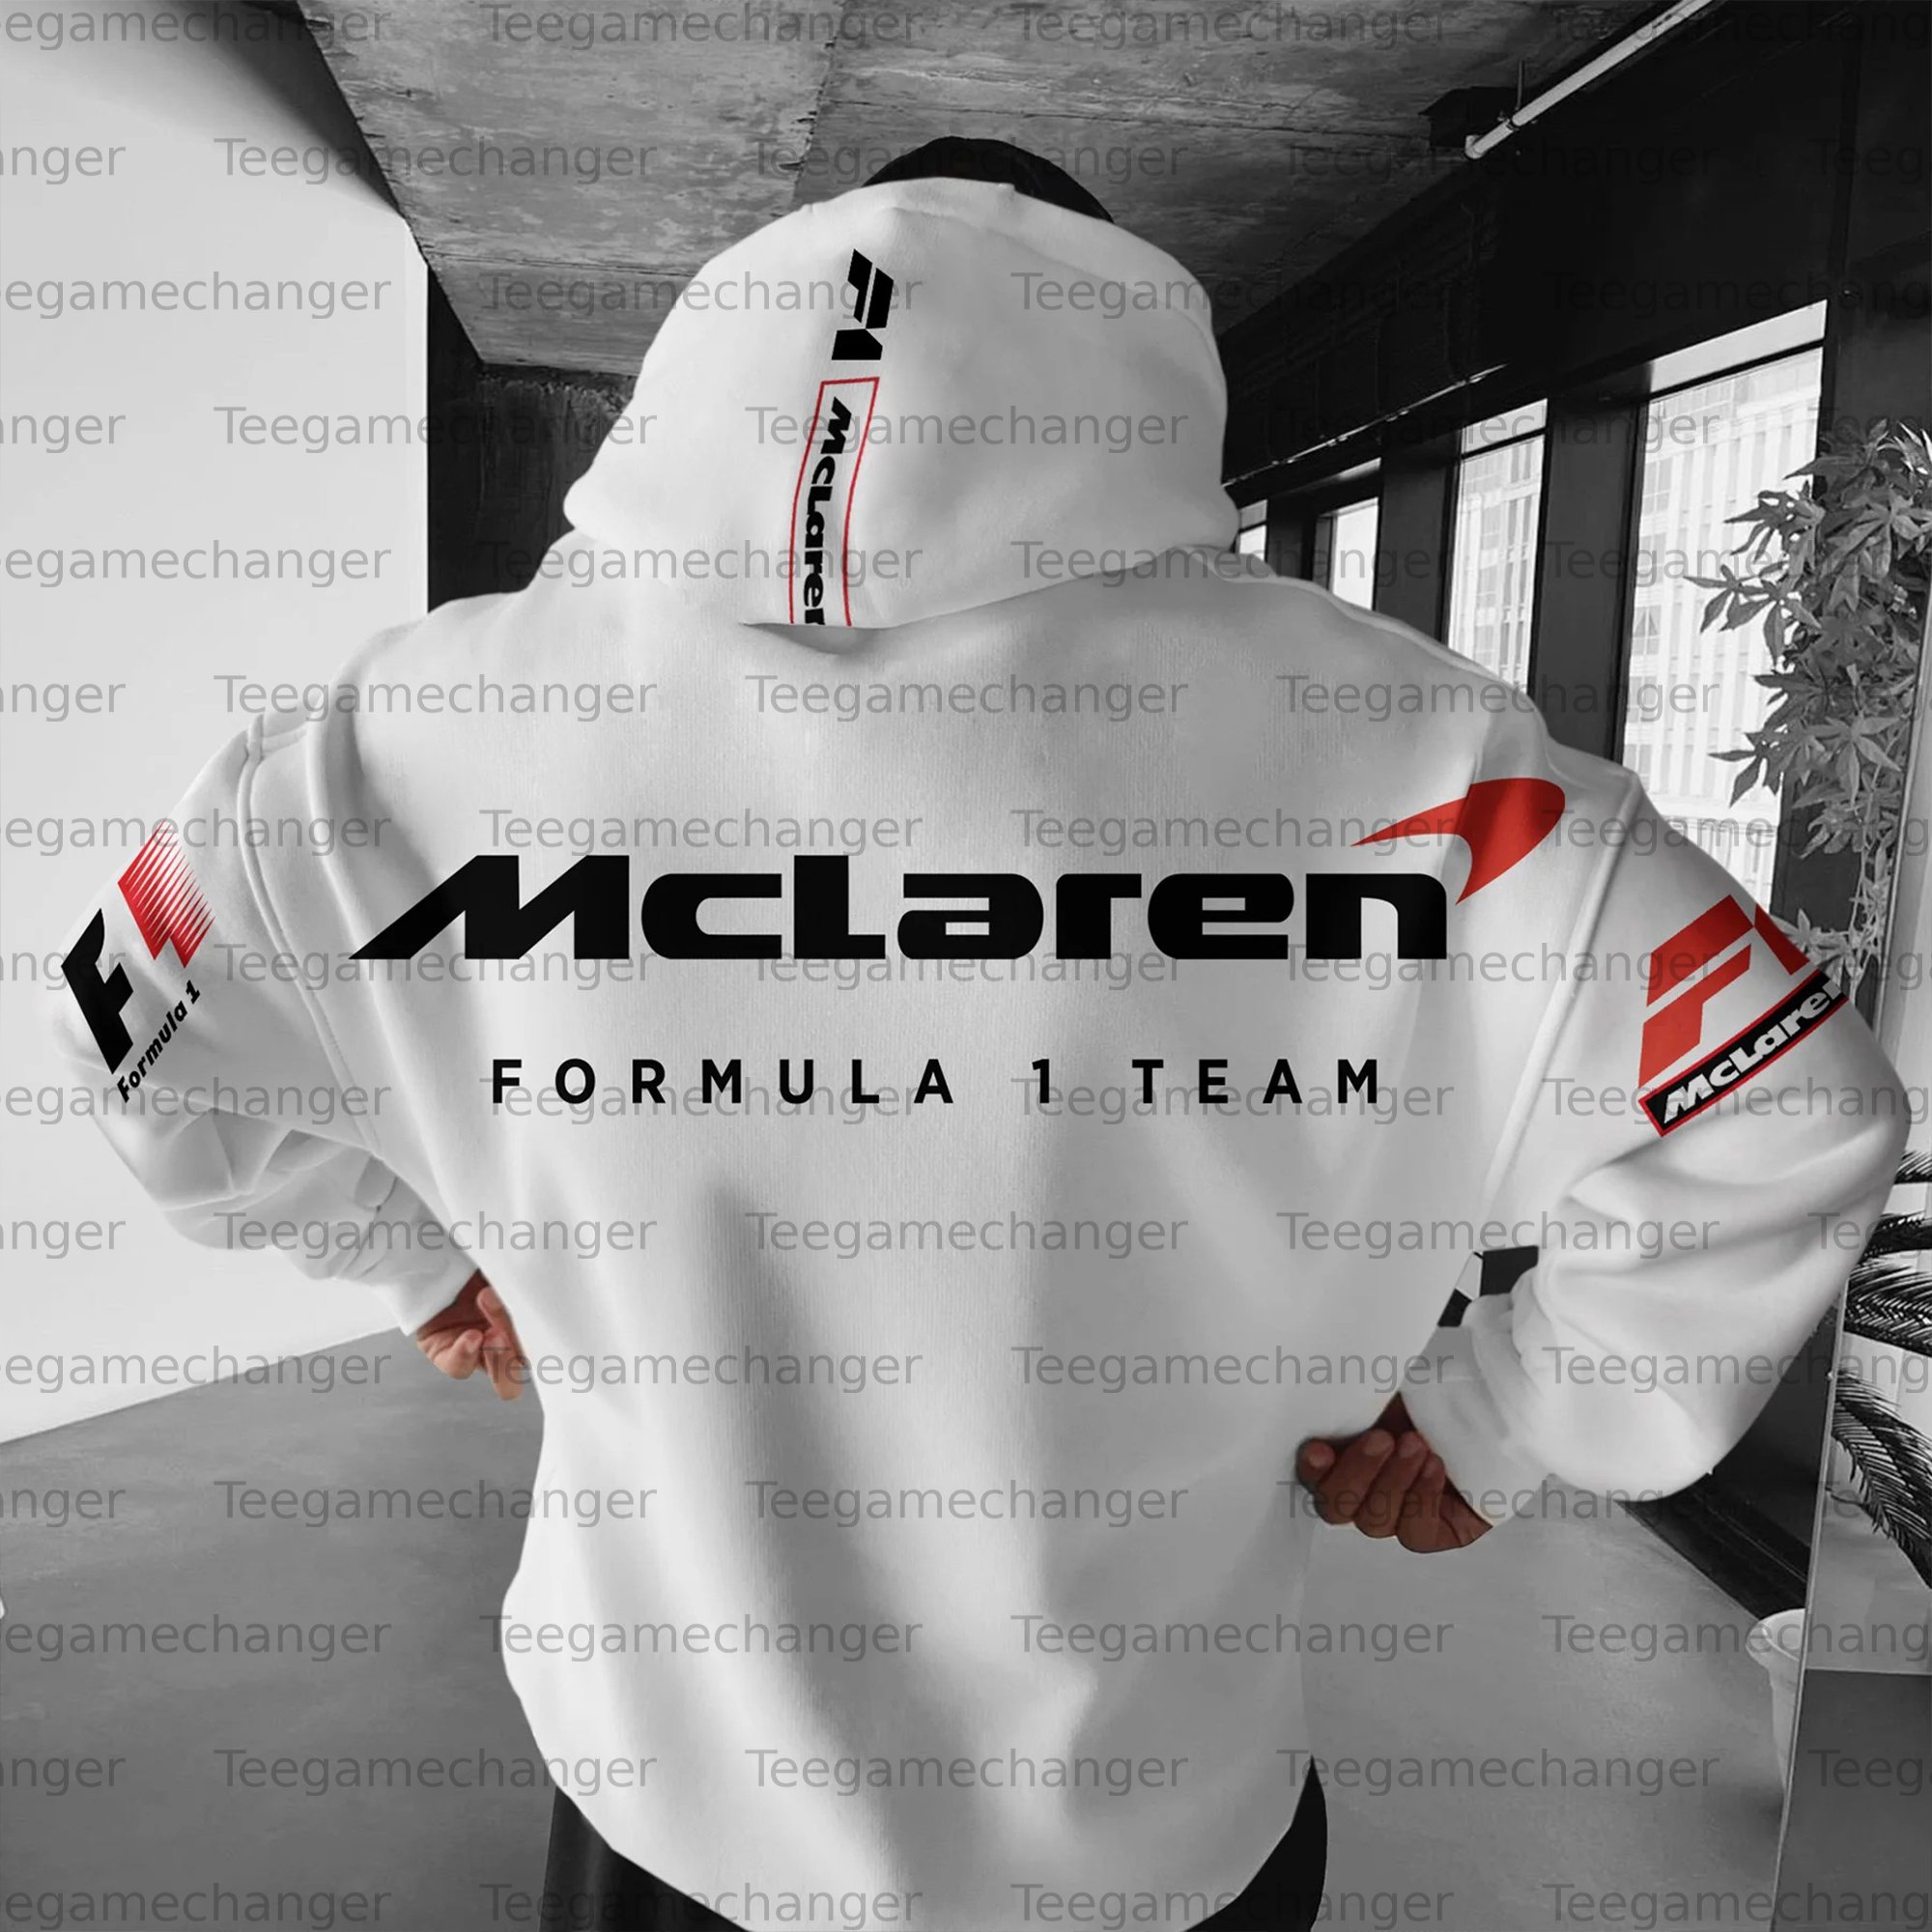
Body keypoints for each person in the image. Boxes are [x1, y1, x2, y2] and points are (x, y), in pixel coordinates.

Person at [53, 138, 1907, 1932]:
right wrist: (1505, 1411)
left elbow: (124, 1011)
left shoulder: (401, 736)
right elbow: (1789, 1099)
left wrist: (413, 1250)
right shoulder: (1423, 758)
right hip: (1159, 1822)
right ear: (1132, 358)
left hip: (670, 1802)